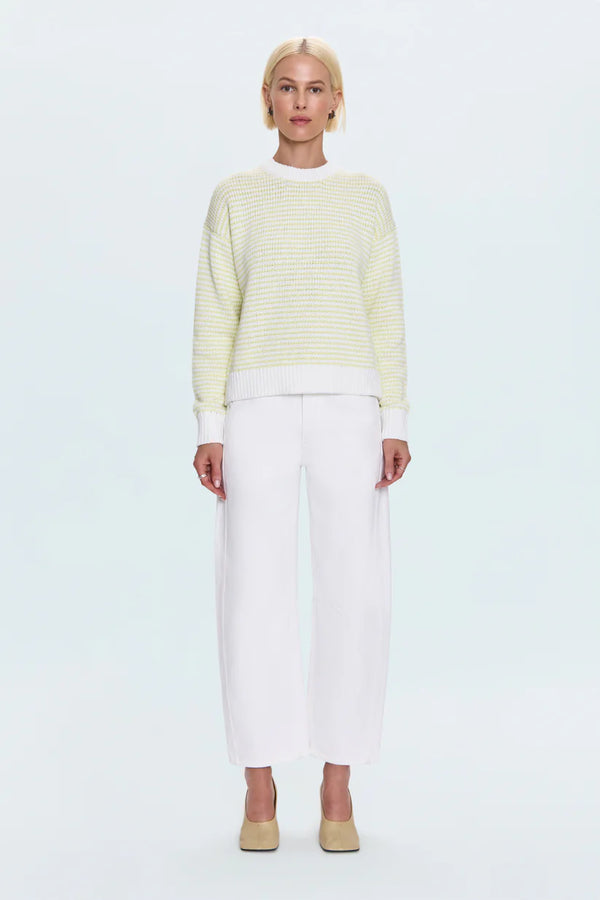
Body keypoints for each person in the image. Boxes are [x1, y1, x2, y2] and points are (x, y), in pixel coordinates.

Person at [191, 35, 411, 852]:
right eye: (286, 87)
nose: (301, 101)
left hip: (351, 407)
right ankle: (258, 788)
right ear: (267, 99)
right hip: (256, 409)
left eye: (316, 89)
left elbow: (385, 307)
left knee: (355, 592)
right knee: (252, 592)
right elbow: (216, 310)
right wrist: (210, 424)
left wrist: (395, 417)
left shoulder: (366, 199)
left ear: (336, 102)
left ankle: (338, 784)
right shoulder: (235, 198)